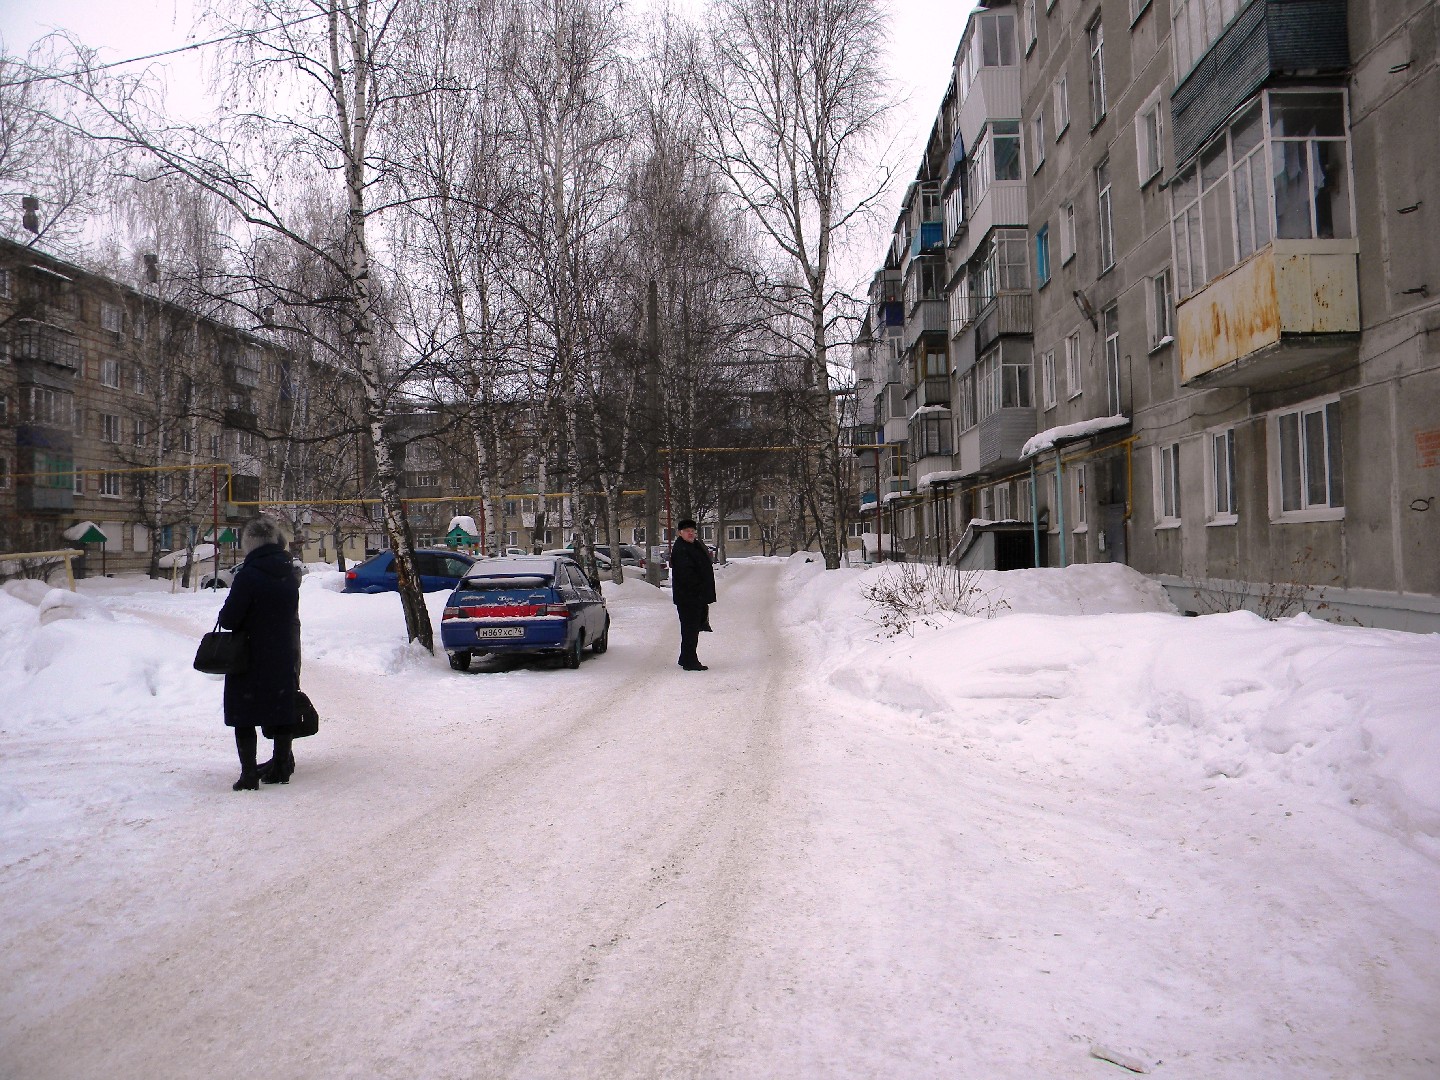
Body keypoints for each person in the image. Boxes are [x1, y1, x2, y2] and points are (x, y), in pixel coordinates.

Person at [218, 516, 302, 790]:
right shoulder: (290, 574)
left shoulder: (248, 576)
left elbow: (230, 619)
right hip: (281, 651)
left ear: (250, 544)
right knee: (281, 708)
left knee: (243, 713)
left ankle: (249, 775)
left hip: (249, 654)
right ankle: (280, 767)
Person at [669, 518, 715, 671]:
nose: (690, 533)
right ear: (680, 533)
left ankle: (685, 657)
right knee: (690, 629)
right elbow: (686, 574)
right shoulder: (681, 549)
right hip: (688, 597)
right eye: (687, 531)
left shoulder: (693, 545)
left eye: (692, 531)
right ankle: (690, 660)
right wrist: (699, 588)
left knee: (692, 628)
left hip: (696, 596)